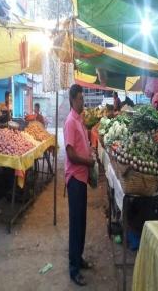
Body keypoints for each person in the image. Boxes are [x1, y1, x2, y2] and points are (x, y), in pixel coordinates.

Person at [64, 84, 95, 286]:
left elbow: (82, 147)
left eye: (83, 99)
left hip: (82, 178)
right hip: (74, 178)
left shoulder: (80, 120)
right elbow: (70, 154)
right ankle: (73, 269)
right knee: (76, 224)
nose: (83, 102)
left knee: (82, 222)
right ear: (73, 100)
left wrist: (90, 152)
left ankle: (79, 257)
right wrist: (88, 162)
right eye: (81, 99)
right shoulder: (70, 122)